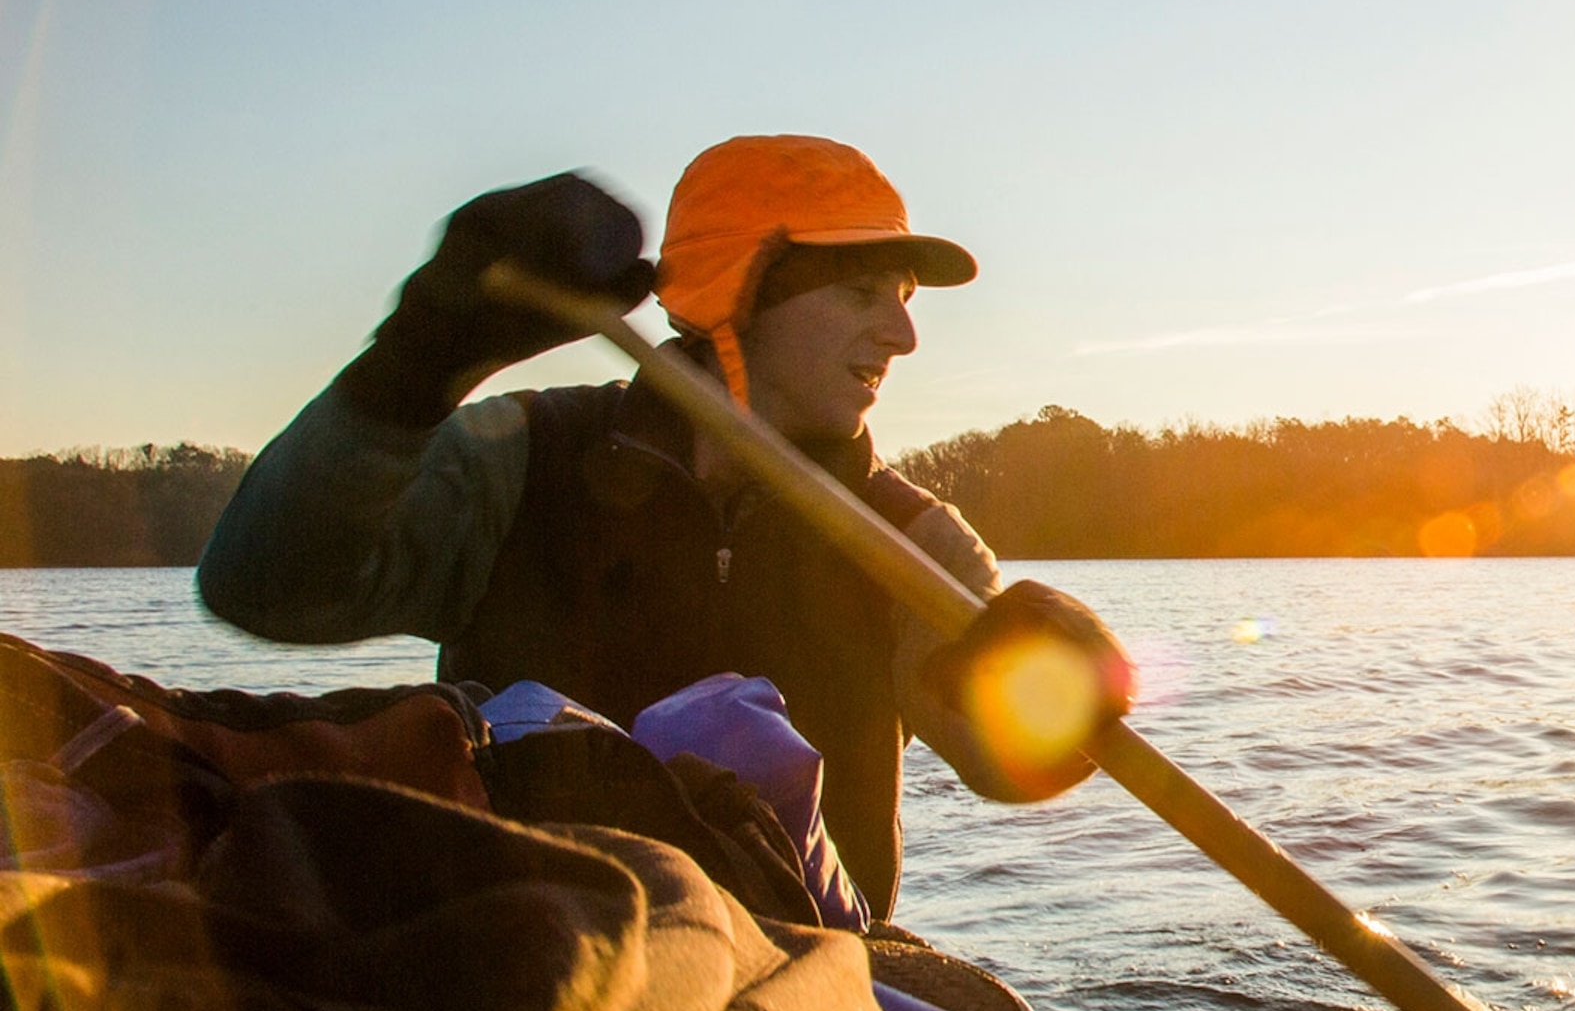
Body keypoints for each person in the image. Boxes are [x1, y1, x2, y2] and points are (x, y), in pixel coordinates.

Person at [198, 133, 1128, 919]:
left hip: (807, 999)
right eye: (859, 292)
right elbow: (266, 587)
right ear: (739, 289)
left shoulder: (912, 541)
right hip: (530, 954)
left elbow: (1002, 763)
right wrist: (418, 360)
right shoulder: (519, 456)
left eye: (904, 299)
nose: (901, 335)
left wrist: (1060, 687)